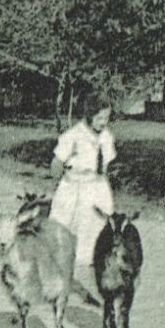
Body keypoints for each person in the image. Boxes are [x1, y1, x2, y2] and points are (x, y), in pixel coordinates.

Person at [48, 96, 117, 273]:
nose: (103, 122)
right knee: (64, 223)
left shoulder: (106, 136)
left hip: (95, 185)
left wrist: (104, 190)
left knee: (96, 224)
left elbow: (105, 167)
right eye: (99, 118)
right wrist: (59, 186)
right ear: (89, 115)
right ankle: (60, 266)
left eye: (107, 118)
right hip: (74, 185)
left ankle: (90, 265)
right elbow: (57, 163)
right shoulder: (74, 136)